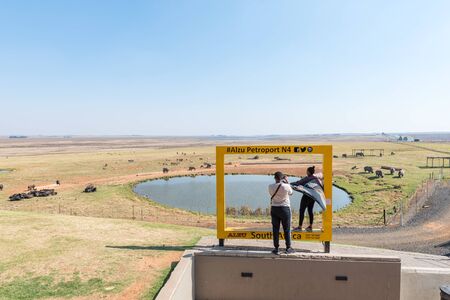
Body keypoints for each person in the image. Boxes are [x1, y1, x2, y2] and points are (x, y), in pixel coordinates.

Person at [268, 171, 294, 254]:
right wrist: (287, 182)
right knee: (287, 229)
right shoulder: (286, 186)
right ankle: (288, 247)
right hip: (285, 209)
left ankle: (276, 248)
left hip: (274, 209)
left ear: (274, 178)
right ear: (282, 178)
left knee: (275, 229)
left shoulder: (270, 186)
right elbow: (291, 193)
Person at [291, 166, 324, 232]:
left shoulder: (307, 178)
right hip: (313, 197)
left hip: (306, 196)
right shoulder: (317, 179)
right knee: (310, 211)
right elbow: (321, 187)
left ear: (308, 172)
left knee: (302, 210)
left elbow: (298, 183)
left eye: (307, 171)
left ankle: (300, 227)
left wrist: (290, 184)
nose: (306, 172)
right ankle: (310, 226)